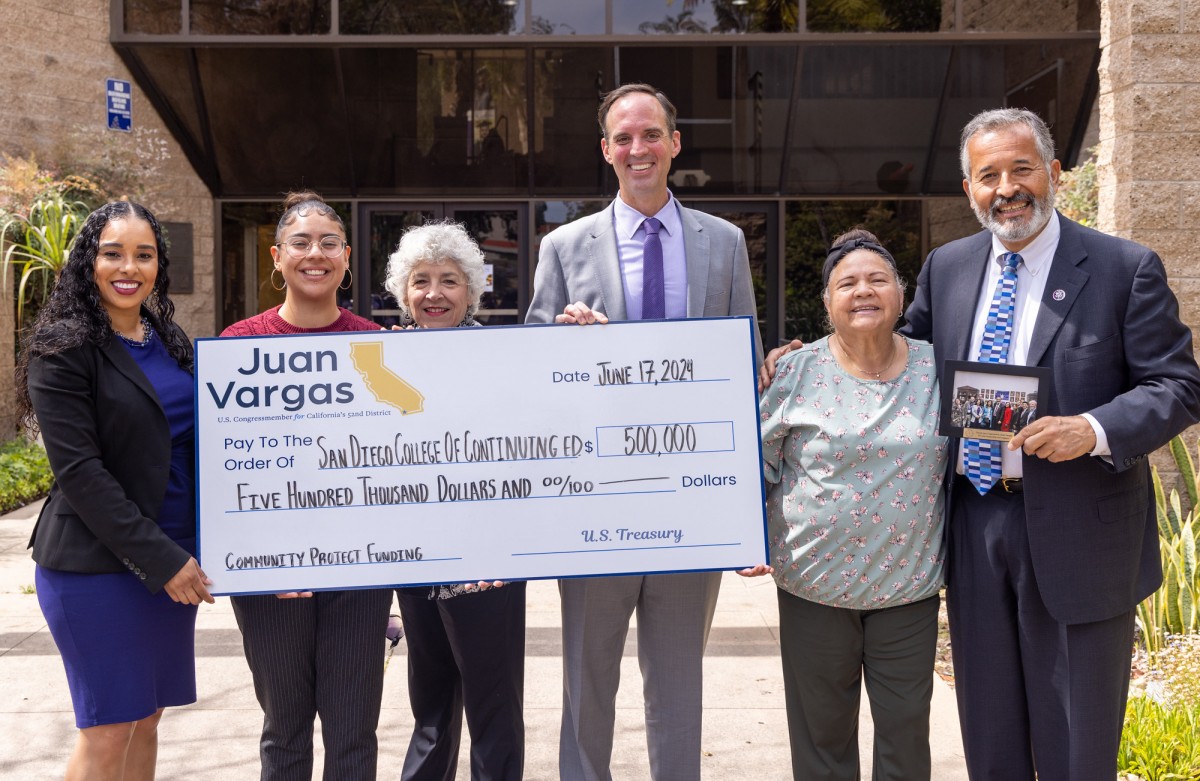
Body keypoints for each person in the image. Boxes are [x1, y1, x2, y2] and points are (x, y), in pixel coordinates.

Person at [762, 108, 1200, 779]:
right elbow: (890, 357)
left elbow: (1177, 385)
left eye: (1021, 168)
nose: (1006, 188)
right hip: (975, 528)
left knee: (1076, 750)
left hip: (1083, 535)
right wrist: (802, 362)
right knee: (991, 742)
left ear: (1053, 173)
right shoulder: (948, 268)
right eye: (987, 175)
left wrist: (1094, 428)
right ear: (969, 188)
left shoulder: (1122, 268)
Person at [525, 82, 763, 781]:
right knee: (587, 679)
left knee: (678, 680)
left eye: (651, 134)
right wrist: (570, 345)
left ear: (675, 143)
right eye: (624, 138)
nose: (638, 149)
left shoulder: (724, 242)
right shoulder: (565, 246)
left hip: (691, 495)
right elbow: (533, 367)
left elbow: (743, 368)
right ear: (606, 150)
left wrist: (744, 512)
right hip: (598, 497)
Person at [17, 201, 213, 780]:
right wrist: (163, 561)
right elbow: (80, 473)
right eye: (112, 253)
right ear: (88, 261)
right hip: (99, 567)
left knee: (146, 717)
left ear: (158, 264)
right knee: (107, 728)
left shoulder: (167, 337)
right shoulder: (64, 347)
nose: (129, 267)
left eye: (143, 255)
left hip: (174, 562)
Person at [748, 229, 947, 780]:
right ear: (827, 302)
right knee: (822, 744)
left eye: (877, 280)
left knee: (906, 738)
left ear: (901, 296)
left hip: (907, 590)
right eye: (847, 283)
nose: (864, 291)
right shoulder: (792, 371)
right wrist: (739, 535)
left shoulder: (940, 369)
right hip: (813, 587)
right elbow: (755, 465)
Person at [222, 191, 394, 780]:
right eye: (300, 242)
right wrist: (264, 558)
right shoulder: (240, 346)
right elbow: (228, 470)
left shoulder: (376, 345)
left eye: (328, 243)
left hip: (359, 572)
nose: (314, 254)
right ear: (277, 255)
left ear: (347, 256)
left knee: (353, 735)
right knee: (285, 733)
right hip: (273, 579)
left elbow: (402, 457)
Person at [383, 221, 526, 780]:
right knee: (432, 702)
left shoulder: (504, 355)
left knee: (493, 706)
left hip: (487, 562)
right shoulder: (380, 358)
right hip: (415, 557)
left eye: (449, 280)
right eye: (421, 281)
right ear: (404, 291)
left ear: (471, 289)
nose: (434, 294)